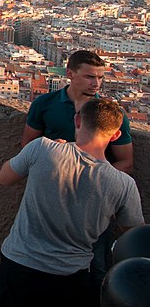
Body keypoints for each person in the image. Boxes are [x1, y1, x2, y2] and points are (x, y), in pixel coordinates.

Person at [0, 98, 143, 307]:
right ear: (116, 135)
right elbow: (134, 235)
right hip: (71, 276)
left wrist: (55, 148)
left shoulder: (42, 149)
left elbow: (4, 178)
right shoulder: (123, 184)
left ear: (77, 121)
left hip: (19, 265)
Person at [21, 50, 135, 290]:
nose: (96, 83)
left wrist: (99, 186)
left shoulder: (110, 115)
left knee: (96, 268)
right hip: (49, 199)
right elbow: (27, 147)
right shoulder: (45, 104)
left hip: (91, 205)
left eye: (100, 78)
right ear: (70, 74)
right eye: (90, 77)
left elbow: (126, 161)